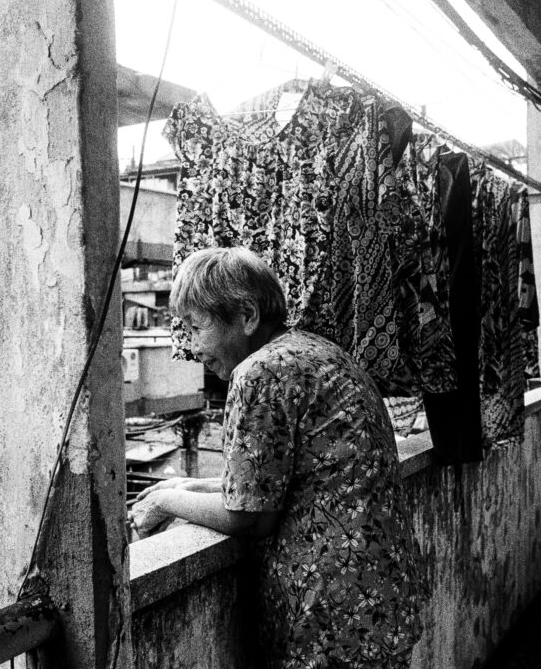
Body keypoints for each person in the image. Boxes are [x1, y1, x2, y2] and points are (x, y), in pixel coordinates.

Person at [131, 247, 422, 669]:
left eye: (196, 327)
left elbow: (248, 515)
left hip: (333, 609)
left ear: (247, 316)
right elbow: (268, 481)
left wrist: (164, 501)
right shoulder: (316, 351)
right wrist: (184, 485)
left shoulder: (260, 371)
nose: (192, 347)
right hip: (376, 597)